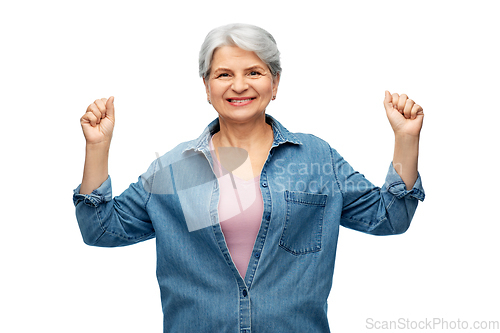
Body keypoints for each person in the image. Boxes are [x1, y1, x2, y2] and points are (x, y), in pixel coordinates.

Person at [74, 23, 425, 333]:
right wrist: (97, 147)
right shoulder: (175, 170)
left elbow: (389, 218)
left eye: (254, 72)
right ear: (207, 86)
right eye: (224, 74)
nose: (239, 85)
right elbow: (100, 230)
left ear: (275, 84)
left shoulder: (317, 159)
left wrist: (406, 139)